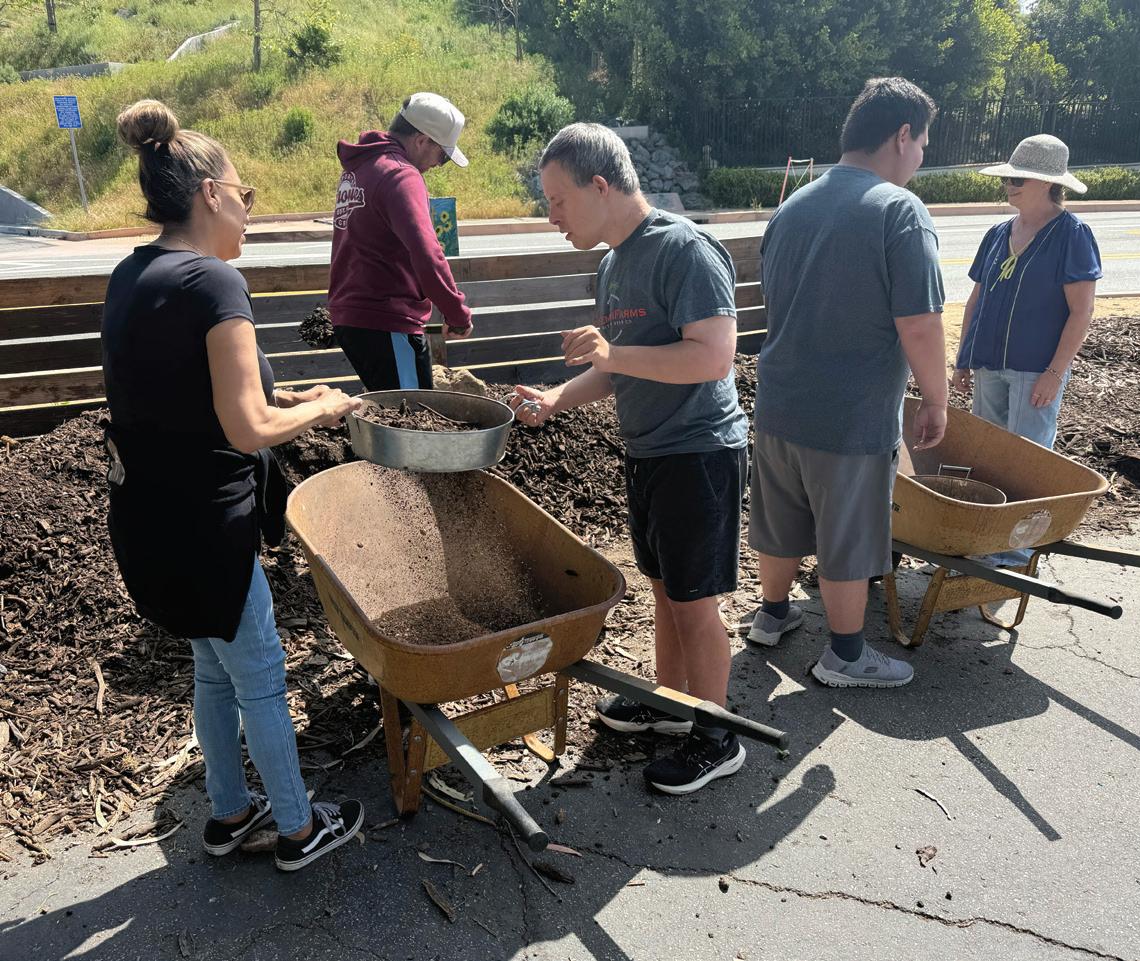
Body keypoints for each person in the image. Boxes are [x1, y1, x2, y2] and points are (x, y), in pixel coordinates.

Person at [102, 100, 365, 872]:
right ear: (211, 193)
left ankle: (229, 811)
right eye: (244, 196)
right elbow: (246, 427)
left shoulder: (131, 273)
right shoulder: (215, 282)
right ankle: (298, 829)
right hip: (209, 528)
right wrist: (321, 408)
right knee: (260, 675)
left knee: (212, 671)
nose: (248, 212)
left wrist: (286, 398)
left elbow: (185, 395)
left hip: (148, 520)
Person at [509, 123, 749, 795]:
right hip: (650, 452)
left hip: (699, 452)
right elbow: (618, 369)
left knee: (695, 602)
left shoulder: (683, 249)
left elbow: (712, 356)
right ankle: (670, 702)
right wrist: (555, 398)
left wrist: (612, 353)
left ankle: (716, 736)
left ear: (600, 185)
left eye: (558, 200)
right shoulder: (614, 264)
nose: (552, 216)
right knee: (665, 590)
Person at [748, 77, 948, 689]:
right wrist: (936, 399)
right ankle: (845, 655)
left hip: (779, 404)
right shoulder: (899, 210)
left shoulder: (792, 207)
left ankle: (771, 615)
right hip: (850, 414)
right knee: (848, 536)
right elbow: (920, 323)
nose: (922, 156)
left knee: (780, 520)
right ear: (902, 135)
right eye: (924, 142)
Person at [952, 134, 1101, 567]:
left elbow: (1081, 311)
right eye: (1008, 177)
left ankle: (1016, 553)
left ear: (1047, 182)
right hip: (989, 364)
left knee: (1027, 462)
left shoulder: (1072, 235)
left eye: (1018, 178)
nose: (1009, 185)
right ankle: (985, 540)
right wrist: (963, 358)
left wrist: (1055, 373)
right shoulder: (998, 233)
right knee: (987, 457)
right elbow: (977, 299)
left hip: (1035, 370)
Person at [328, 92, 474, 391]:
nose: (439, 164)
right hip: (387, 319)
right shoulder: (401, 176)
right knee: (414, 414)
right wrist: (457, 313)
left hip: (354, 317)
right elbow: (427, 253)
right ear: (421, 140)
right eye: (443, 156)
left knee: (393, 411)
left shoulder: (361, 168)